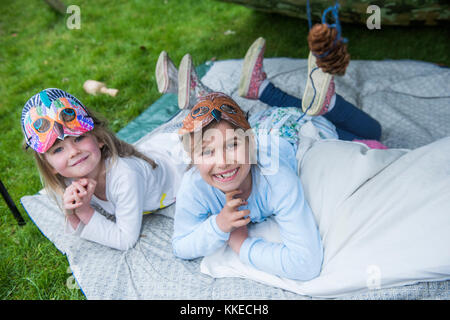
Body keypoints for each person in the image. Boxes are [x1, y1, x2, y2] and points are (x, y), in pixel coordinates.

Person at [172, 92, 323, 281]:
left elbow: (307, 264)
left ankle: (323, 102)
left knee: (323, 116)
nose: (223, 162)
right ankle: (203, 92)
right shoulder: (194, 185)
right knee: (238, 117)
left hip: (294, 129)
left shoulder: (275, 177)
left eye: (232, 145)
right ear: (193, 159)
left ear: (251, 144)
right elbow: (180, 246)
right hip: (262, 124)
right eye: (207, 151)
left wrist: (243, 245)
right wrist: (219, 226)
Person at [21, 88, 182, 250]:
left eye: (79, 138)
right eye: (58, 150)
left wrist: (84, 212)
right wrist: (71, 212)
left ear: (98, 139)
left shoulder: (126, 176)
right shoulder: (69, 176)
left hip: (180, 167)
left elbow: (125, 240)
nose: (73, 152)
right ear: (50, 166)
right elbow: (76, 226)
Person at [155, 37, 387, 149]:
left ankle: (202, 97)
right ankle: (206, 96)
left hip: (308, 142)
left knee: (363, 133)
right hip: (286, 135)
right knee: (372, 132)